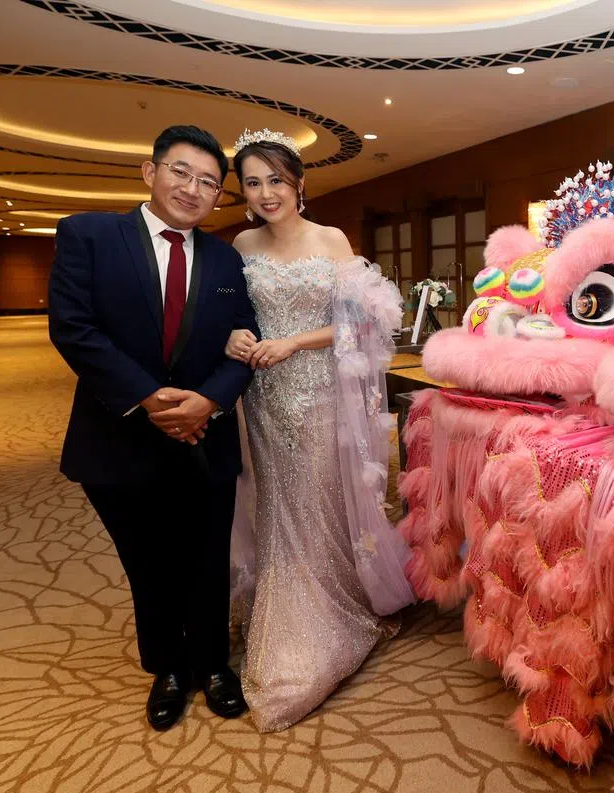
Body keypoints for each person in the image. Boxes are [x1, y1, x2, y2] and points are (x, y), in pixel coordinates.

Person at [48, 125, 258, 731]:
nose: (193, 189)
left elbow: (245, 339)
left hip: (205, 435)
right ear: (150, 172)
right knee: (147, 560)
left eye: (209, 182)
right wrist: (149, 397)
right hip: (117, 435)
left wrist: (208, 402)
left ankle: (213, 665)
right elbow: (73, 328)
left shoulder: (226, 258)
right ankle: (167, 667)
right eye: (181, 172)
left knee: (207, 556)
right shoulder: (89, 235)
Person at [224, 128, 414, 732]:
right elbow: (229, 314)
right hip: (263, 396)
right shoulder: (241, 243)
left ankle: (331, 606)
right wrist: (237, 336)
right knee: (276, 502)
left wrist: (293, 343)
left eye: (276, 180)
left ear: (299, 183)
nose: (266, 193)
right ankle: (282, 601)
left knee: (321, 498)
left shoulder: (330, 239)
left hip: (319, 393)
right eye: (253, 183)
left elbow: (361, 320)